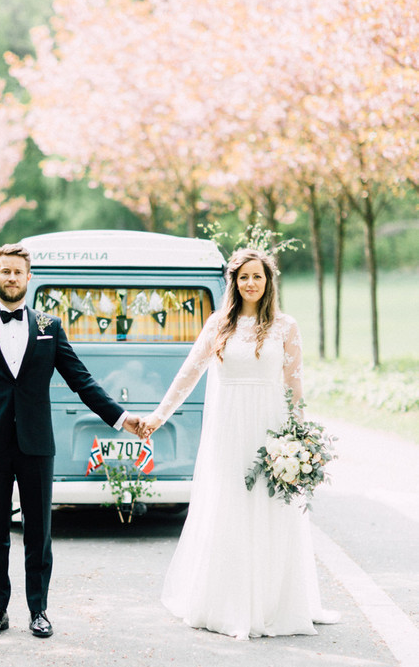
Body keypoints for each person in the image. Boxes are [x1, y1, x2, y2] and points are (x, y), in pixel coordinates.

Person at [140, 247, 339, 639]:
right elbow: (188, 374)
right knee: (228, 508)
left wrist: (299, 440)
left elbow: (295, 388)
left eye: (258, 277)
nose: (251, 283)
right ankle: (227, 602)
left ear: (269, 282)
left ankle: (271, 602)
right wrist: (158, 417)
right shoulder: (218, 325)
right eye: (244, 277)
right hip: (228, 431)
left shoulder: (286, 326)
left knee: (270, 512)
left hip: (271, 432)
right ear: (234, 281)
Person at [0, 243, 141, 639]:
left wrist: (121, 418)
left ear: (29, 277)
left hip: (36, 444)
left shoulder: (49, 327)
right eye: (6, 271)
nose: (12, 278)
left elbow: (80, 379)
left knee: (39, 531)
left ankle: (39, 611)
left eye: (19, 272)